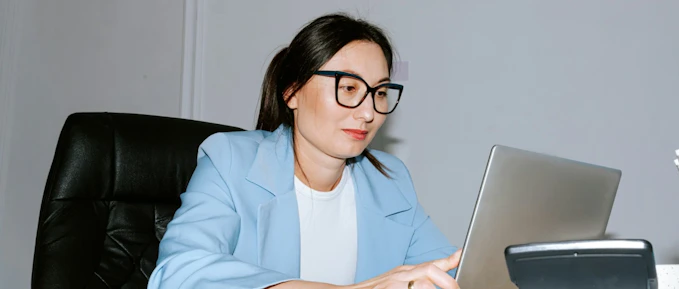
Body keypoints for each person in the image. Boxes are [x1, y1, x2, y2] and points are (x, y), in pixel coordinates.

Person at [147, 13, 461, 289]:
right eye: (349, 88)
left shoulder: (391, 181)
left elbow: (448, 274)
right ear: (292, 91)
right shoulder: (230, 161)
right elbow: (177, 274)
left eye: (379, 92)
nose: (368, 112)